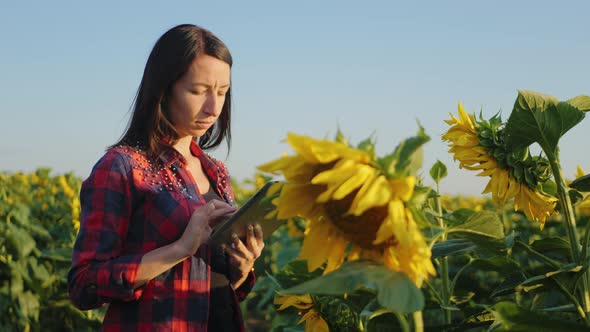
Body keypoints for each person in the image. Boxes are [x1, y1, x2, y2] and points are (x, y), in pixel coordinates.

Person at [67, 24, 264, 331]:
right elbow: (84, 284)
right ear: (163, 88)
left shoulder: (217, 172)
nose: (213, 108)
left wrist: (242, 265)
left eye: (222, 92)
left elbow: (217, 287)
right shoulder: (122, 167)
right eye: (198, 91)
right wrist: (180, 248)